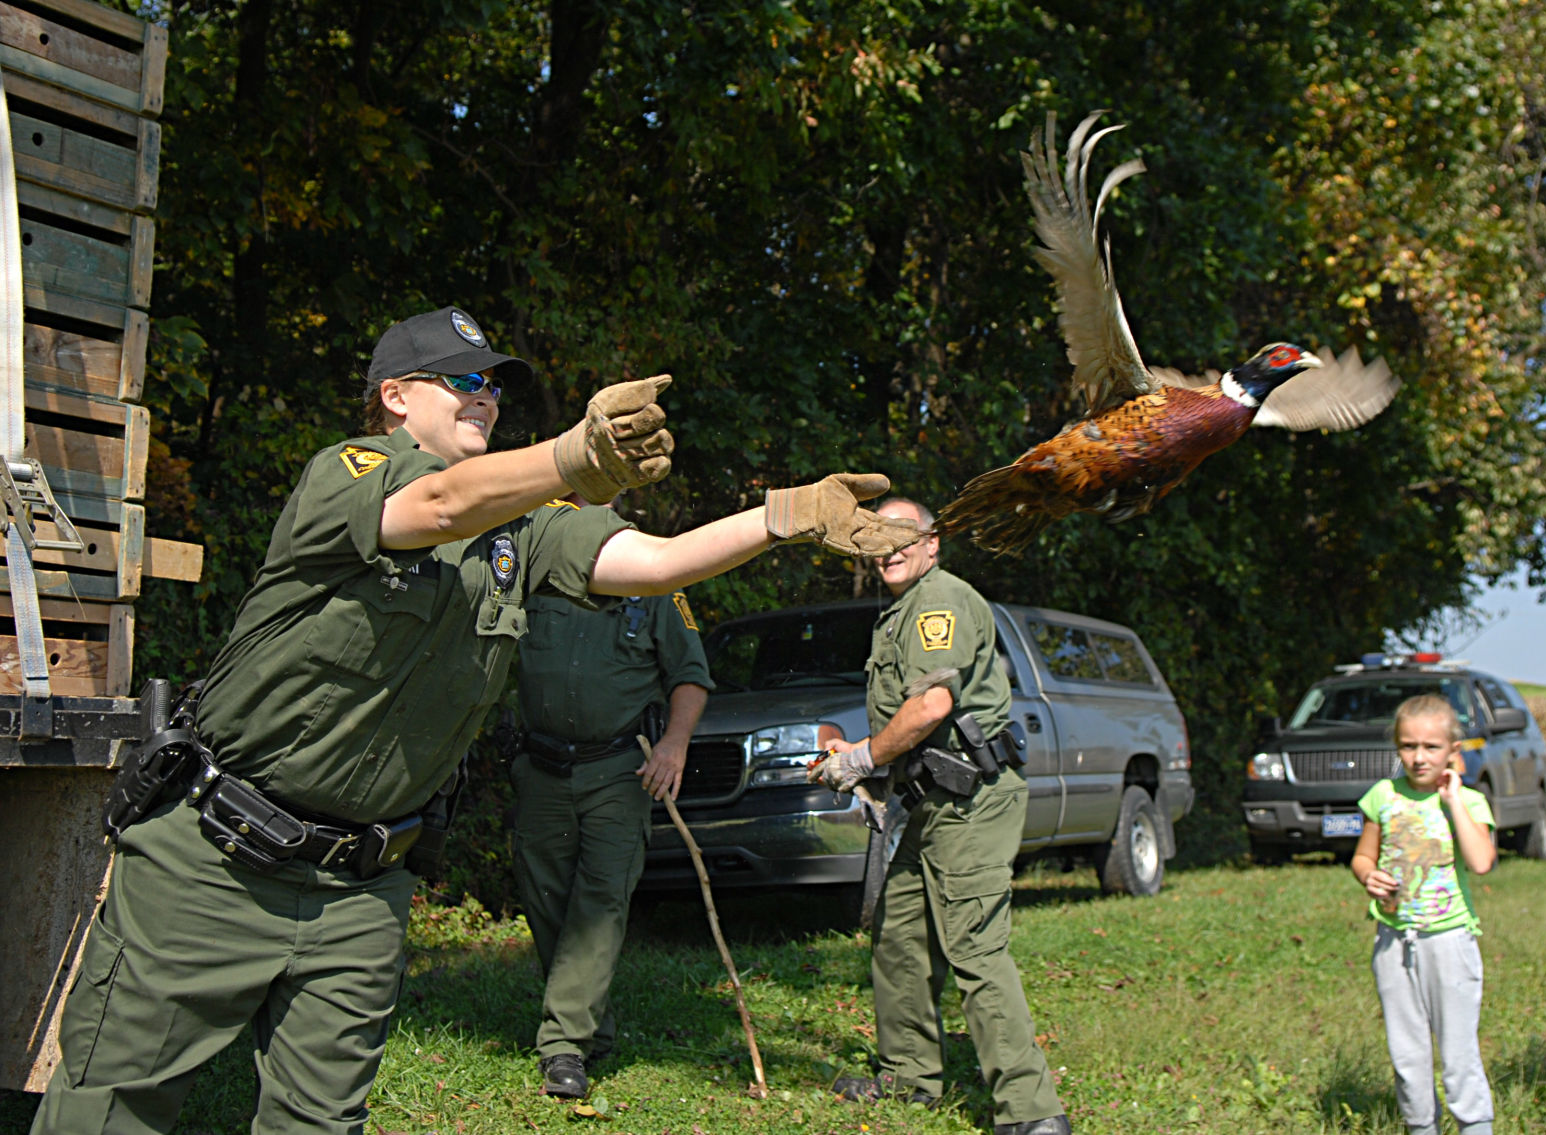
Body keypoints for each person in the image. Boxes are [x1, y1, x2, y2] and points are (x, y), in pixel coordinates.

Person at [33, 304, 918, 1133]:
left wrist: (781, 515)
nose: (485, 396)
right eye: (463, 380)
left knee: (320, 1120)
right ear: (395, 396)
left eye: (493, 384)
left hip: (362, 888)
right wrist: (578, 454)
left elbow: (657, 563)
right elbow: (438, 505)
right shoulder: (351, 472)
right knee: (108, 1109)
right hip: (216, 864)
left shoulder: (522, 532)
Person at [814, 498, 1069, 1135]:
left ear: (933, 544)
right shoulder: (898, 611)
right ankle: (909, 1078)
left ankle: (1033, 1114)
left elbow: (930, 707)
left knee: (974, 948)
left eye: (905, 535)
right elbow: (908, 724)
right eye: (878, 536)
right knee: (900, 937)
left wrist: (863, 760)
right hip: (929, 802)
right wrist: (857, 753)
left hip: (972, 804)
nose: (891, 547)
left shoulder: (938, 602)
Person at [511, 559, 712, 1099]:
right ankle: (587, 1024)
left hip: (619, 770)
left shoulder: (657, 580)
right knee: (546, 897)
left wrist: (674, 744)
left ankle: (563, 1044)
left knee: (601, 899)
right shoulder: (537, 572)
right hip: (540, 766)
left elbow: (690, 676)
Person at [1349, 694, 1497, 1135]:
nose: (1418, 758)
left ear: (1453, 750)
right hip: (1394, 939)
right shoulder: (1382, 796)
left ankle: (1474, 1124)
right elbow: (1362, 857)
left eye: (1431, 747)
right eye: (1408, 746)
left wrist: (1453, 800)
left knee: (1457, 1049)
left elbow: (1482, 860)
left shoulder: (1468, 803)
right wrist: (1368, 875)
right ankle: (1421, 1125)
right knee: (1407, 1050)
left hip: (1449, 941)